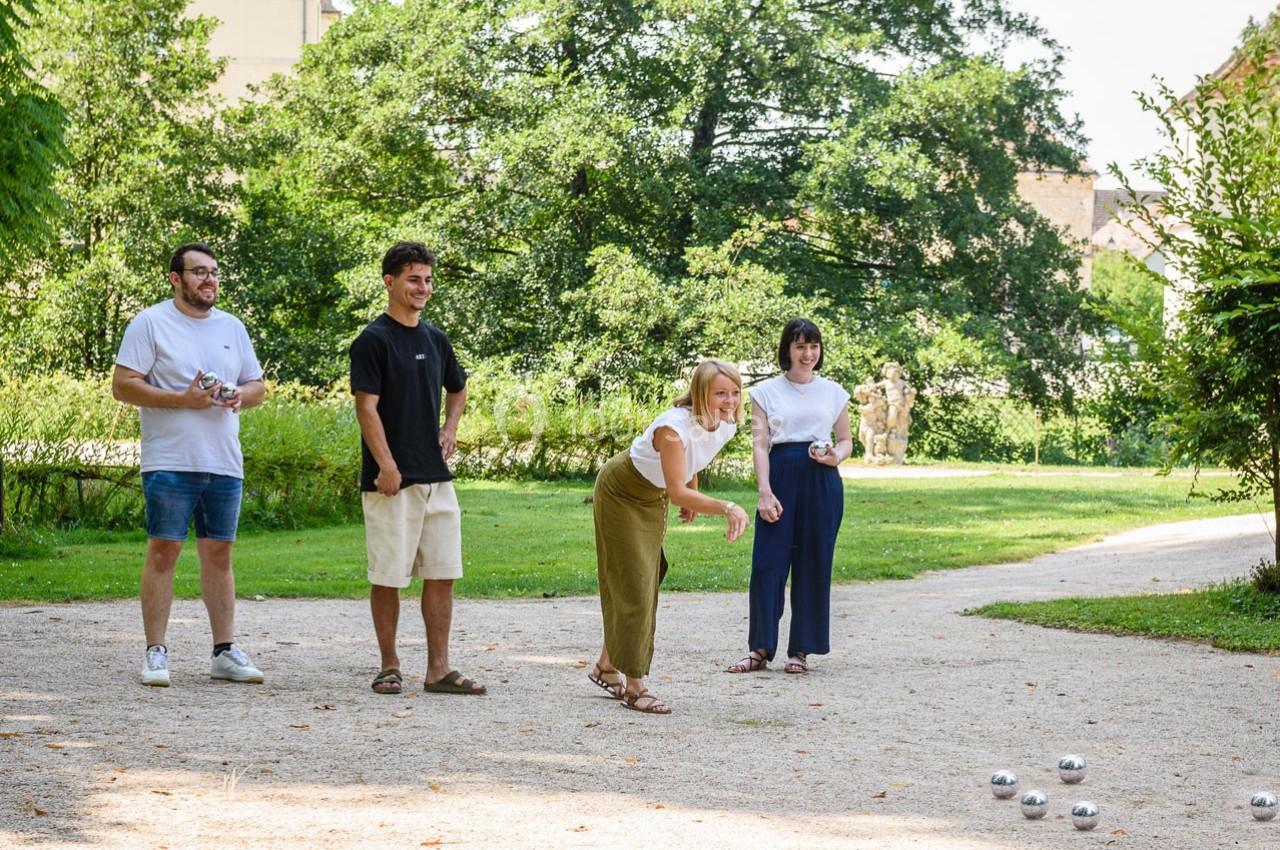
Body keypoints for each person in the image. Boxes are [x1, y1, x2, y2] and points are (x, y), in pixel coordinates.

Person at [112, 242, 267, 687]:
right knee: (165, 551)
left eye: (214, 272)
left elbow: (257, 385)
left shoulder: (232, 327)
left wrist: (239, 395)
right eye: (198, 272)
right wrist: (182, 399)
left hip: (223, 460)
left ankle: (224, 652)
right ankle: (156, 652)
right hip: (170, 458)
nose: (209, 280)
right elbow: (123, 385)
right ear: (175, 278)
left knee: (219, 554)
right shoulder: (151, 322)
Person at [350, 240, 484, 697]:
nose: (423, 287)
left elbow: (459, 389)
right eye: (413, 279)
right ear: (390, 282)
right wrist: (386, 466)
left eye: (427, 280)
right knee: (388, 576)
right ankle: (389, 665)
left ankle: (438, 670)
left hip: (437, 478)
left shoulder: (435, 339)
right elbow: (366, 409)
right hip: (391, 481)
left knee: (443, 572)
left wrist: (450, 428)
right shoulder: (372, 341)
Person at [589, 359, 750, 714]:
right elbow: (677, 488)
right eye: (720, 393)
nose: (730, 401)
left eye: (735, 392)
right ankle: (635, 686)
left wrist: (694, 488)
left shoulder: (722, 423)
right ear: (699, 394)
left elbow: (692, 463)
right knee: (635, 581)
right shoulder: (672, 429)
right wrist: (726, 506)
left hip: (652, 495)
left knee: (648, 576)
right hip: (621, 492)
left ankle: (606, 665)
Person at [727, 318, 852, 675]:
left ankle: (801, 650)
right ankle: (760, 649)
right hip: (780, 475)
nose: (808, 354)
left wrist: (835, 457)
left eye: (813, 346)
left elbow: (845, 440)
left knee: (813, 564)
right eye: (800, 346)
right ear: (787, 350)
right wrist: (765, 492)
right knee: (768, 565)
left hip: (822, 479)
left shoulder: (833, 392)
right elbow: (760, 446)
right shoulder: (765, 393)